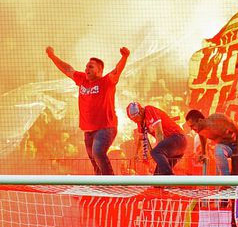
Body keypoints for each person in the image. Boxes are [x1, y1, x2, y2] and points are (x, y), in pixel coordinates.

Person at [46, 46, 130, 176]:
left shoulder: (106, 81)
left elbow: (117, 71)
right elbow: (68, 69)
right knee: (94, 161)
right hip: (88, 131)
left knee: (98, 152)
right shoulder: (82, 79)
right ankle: (100, 187)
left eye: (90, 67)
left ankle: (111, 184)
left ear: (100, 70)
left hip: (106, 128)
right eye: (86, 67)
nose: (86, 69)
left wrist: (124, 57)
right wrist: (52, 57)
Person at [126, 102, 187, 175]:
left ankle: (170, 178)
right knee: (157, 177)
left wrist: (158, 151)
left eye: (136, 117)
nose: (135, 121)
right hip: (171, 146)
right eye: (133, 119)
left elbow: (159, 132)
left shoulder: (149, 110)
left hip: (178, 139)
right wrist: (136, 154)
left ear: (141, 111)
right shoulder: (140, 122)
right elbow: (141, 138)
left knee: (155, 152)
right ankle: (168, 183)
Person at [184, 109, 238, 175]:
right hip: (225, 149)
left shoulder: (219, 119)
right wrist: (203, 154)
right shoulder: (200, 130)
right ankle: (227, 182)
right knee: (218, 150)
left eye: (192, 125)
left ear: (200, 120)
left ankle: (228, 181)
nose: (192, 129)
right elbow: (202, 138)